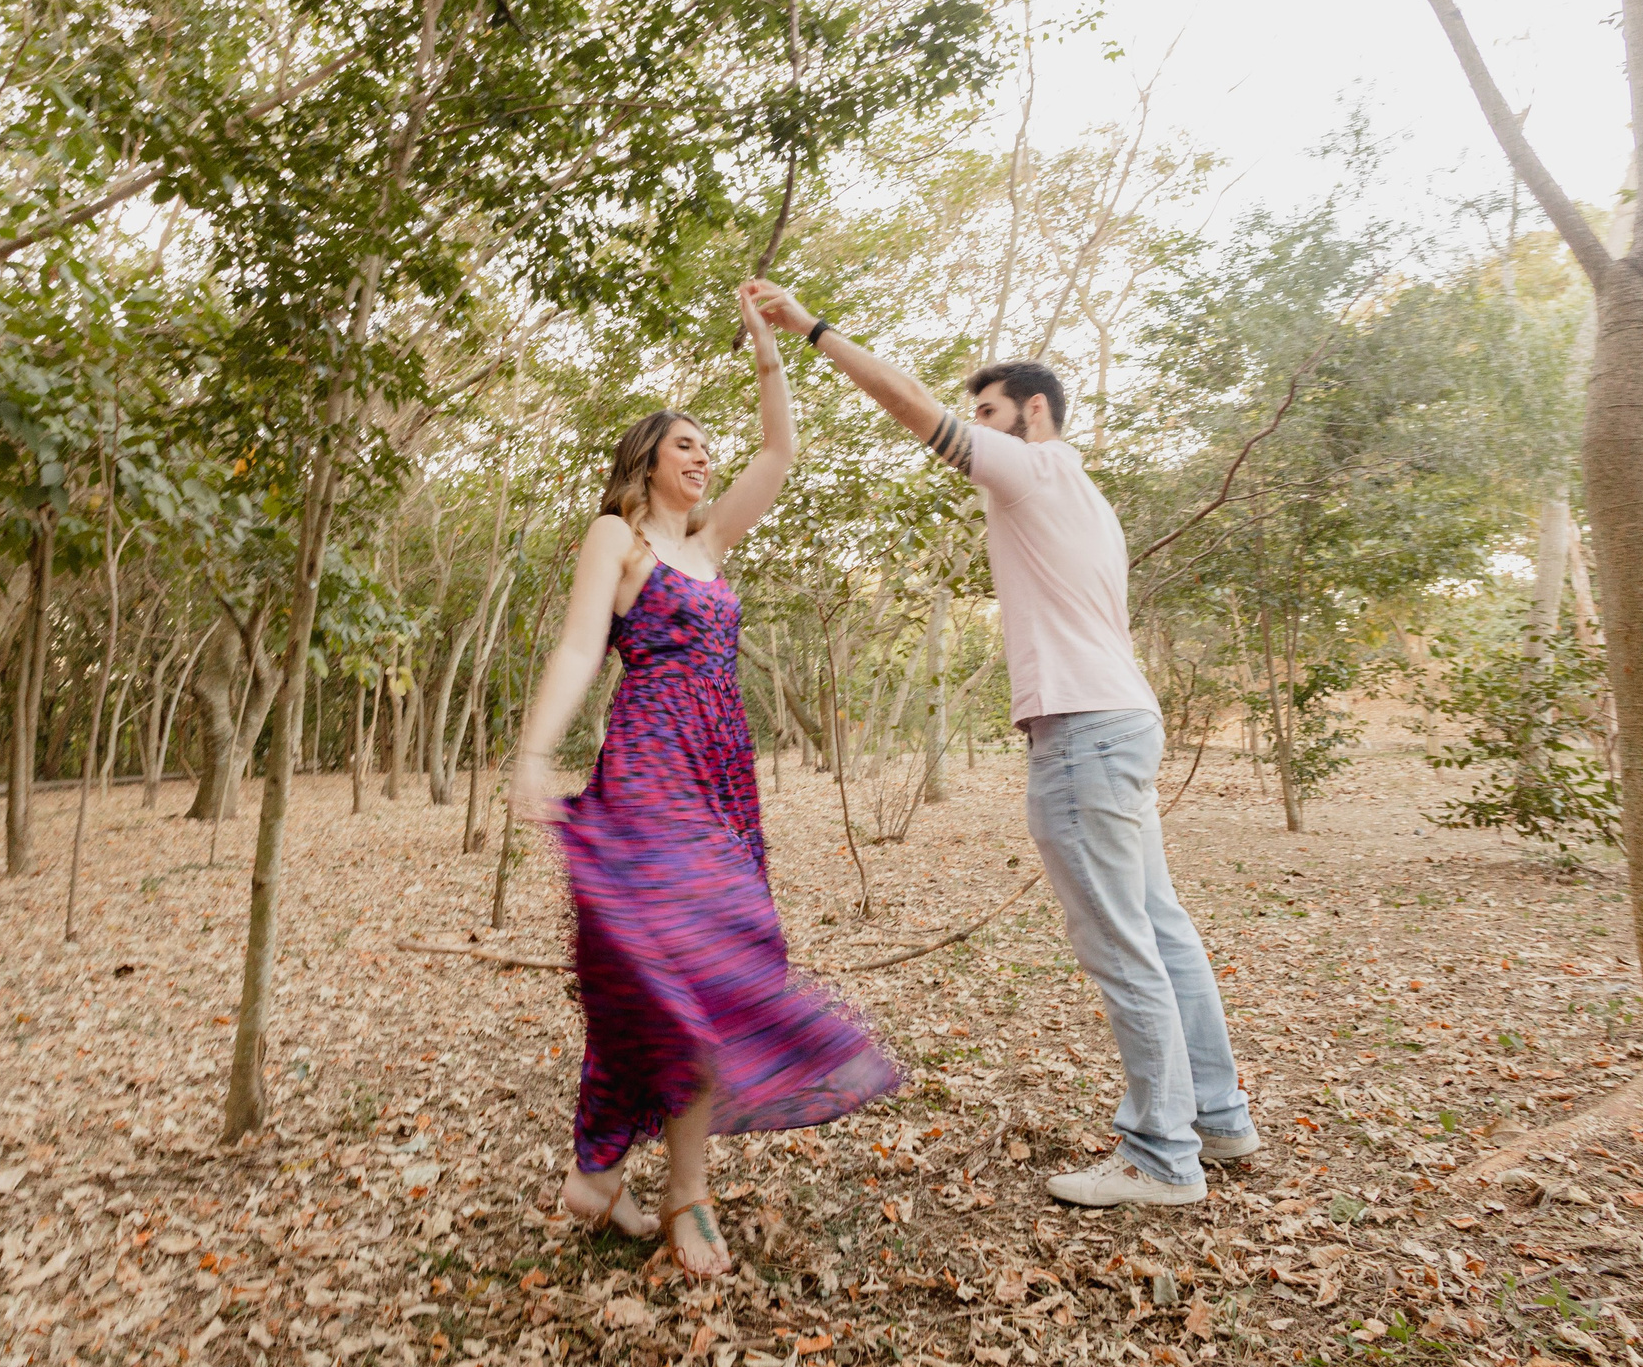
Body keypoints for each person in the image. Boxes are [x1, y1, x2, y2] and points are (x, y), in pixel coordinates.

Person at [748, 279, 1259, 1207]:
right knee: (1162, 930)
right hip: (1123, 720)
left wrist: (811, 328)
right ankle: (1216, 1121)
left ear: (1033, 411)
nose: (972, 425)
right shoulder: (1087, 498)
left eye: (986, 410)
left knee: (1122, 942)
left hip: (1084, 733)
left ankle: (1160, 1156)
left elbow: (916, 411)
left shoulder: (1033, 467)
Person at [511, 285, 902, 1277]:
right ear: (645, 463)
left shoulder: (710, 544)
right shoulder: (620, 538)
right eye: (685, 446)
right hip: (648, 767)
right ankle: (667, 1191)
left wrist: (771, 350)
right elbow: (572, 652)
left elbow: (779, 457)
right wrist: (531, 752)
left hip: (724, 776)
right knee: (681, 967)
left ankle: (614, 1178)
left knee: (696, 970)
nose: (704, 459)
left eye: (704, 448)